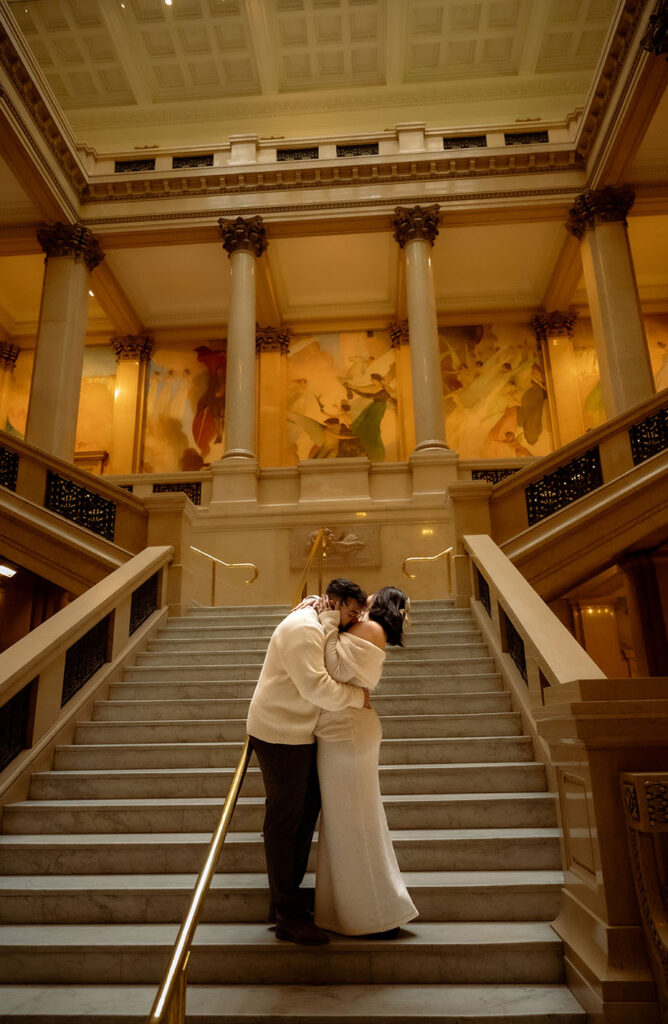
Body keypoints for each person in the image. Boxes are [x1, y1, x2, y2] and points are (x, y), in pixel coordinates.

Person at [246, 577, 368, 946]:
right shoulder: (302, 629)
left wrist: (331, 619)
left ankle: (286, 897)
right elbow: (316, 687)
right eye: (349, 612)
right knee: (286, 819)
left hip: (300, 729)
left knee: (306, 812)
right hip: (278, 731)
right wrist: (359, 697)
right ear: (334, 602)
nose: (352, 621)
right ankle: (286, 915)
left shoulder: (319, 619)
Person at [312, 586, 419, 937]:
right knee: (344, 821)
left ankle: (375, 913)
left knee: (354, 821)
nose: (363, 602)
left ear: (380, 602)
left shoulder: (371, 628)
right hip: (339, 730)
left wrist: (327, 619)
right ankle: (351, 910)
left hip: (349, 733)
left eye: (370, 597)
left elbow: (331, 665)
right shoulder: (365, 628)